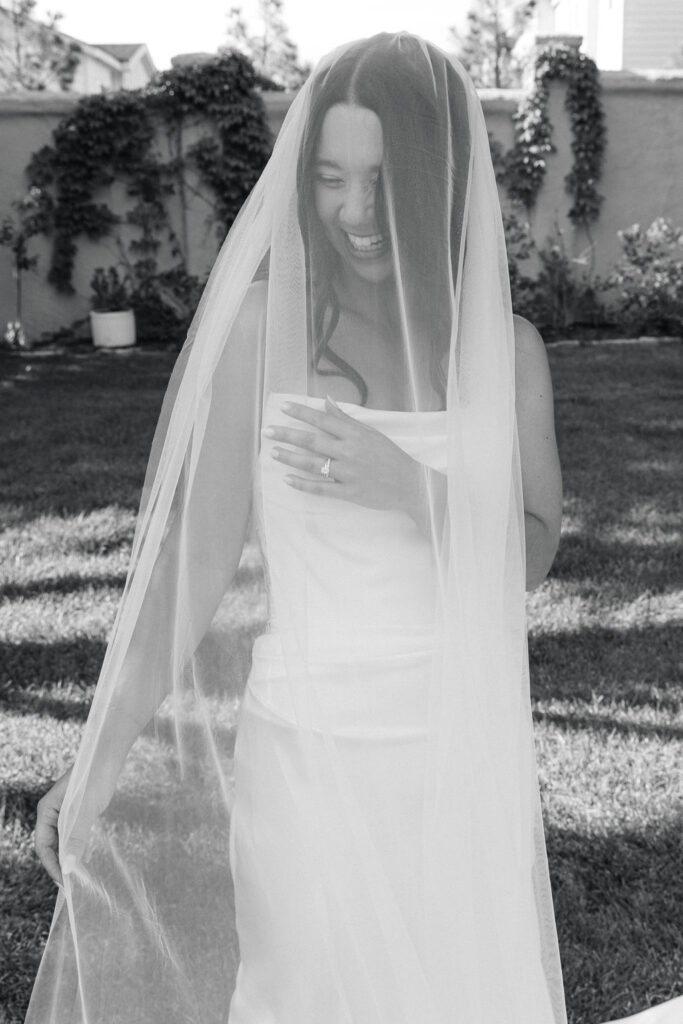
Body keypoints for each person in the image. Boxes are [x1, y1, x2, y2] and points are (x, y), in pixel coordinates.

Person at [27, 32, 681, 1024]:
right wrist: (96, 760)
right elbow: (189, 566)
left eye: (379, 180)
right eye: (328, 177)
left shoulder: (507, 351)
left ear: (434, 182)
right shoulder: (262, 330)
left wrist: (405, 485)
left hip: (458, 761)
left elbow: (532, 551)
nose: (351, 211)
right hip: (308, 753)